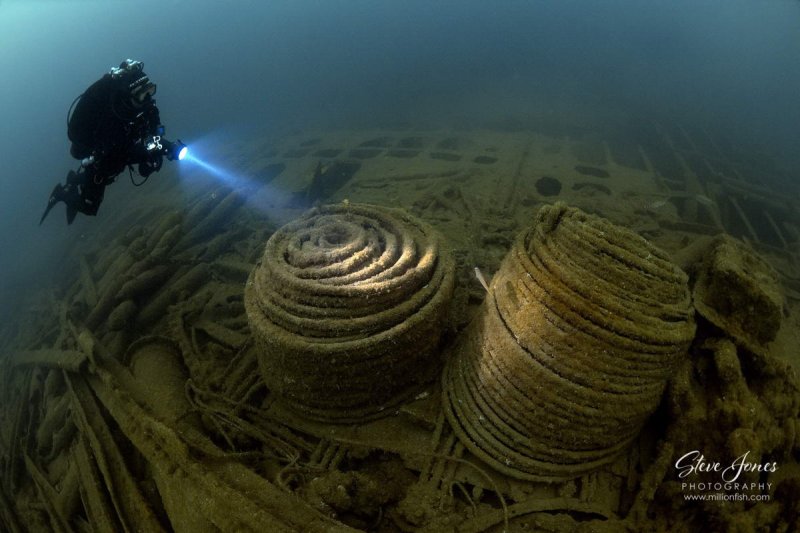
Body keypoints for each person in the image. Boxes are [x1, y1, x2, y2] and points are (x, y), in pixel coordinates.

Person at [40, 59, 185, 225]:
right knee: (90, 206)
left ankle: (74, 179)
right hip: (105, 157)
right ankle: (62, 194)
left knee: (116, 169)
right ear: (128, 96)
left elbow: (154, 134)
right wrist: (146, 155)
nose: (147, 98)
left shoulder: (147, 108)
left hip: (122, 151)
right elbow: (116, 151)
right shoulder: (112, 118)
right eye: (141, 94)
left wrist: (166, 148)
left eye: (150, 90)